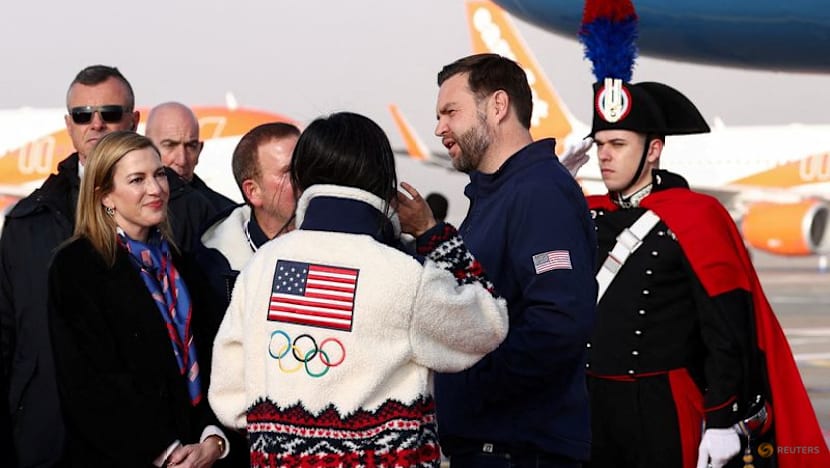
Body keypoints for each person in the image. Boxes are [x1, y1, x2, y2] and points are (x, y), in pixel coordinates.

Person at [208, 112, 509, 467]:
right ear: (382, 181)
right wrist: (433, 234)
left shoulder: (262, 266)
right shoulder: (404, 276)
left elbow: (230, 397)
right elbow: (488, 324)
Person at [398, 53, 597, 467]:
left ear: (498, 106)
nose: (439, 128)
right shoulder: (496, 196)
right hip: (488, 444)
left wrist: (471, 383)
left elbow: (558, 324)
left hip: (520, 451)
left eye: (451, 112)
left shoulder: (538, 193)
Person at [47, 131, 230, 467]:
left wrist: (212, 439)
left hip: (198, 452)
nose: (156, 188)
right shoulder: (78, 266)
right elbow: (89, 385)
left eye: (159, 174)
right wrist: (167, 451)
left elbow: (210, 358)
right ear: (105, 196)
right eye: (137, 179)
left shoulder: (180, 264)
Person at [0, 64, 140, 466]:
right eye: (83, 115)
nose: (96, 124)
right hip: (46, 435)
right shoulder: (28, 220)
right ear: (70, 125)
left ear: (134, 120)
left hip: (141, 437)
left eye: (109, 114)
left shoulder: (176, 212)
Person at [196, 122, 300, 308]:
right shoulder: (213, 270)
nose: (304, 178)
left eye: (306, 166)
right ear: (253, 191)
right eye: (289, 172)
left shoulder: (336, 246)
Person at [145, 102, 233, 250]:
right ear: (146, 147)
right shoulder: (121, 208)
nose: (182, 159)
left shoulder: (227, 217)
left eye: (191, 146)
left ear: (200, 150)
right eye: (170, 145)